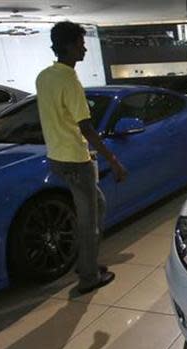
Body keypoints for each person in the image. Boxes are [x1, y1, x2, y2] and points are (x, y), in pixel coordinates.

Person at [36, 22, 127, 295]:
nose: (84, 48)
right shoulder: (69, 80)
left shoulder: (44, 76)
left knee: (96, 206)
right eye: (80, 43)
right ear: (67, 46)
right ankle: (88, 276)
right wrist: (114, 160)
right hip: (75, 159)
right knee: (89, 220)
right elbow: (86, 126)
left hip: (56, 156)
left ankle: (86, 262)